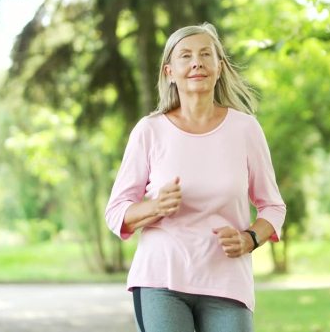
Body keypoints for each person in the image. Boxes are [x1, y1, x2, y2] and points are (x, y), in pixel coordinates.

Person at [105, 22, 286, 332]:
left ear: (220, 67)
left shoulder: (245, 129)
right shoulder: (150, 131)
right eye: (185, 56)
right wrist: (155, 207)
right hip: (161, 280)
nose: (196, 62)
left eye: (205, 54)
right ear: (169, 72)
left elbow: (273, 206)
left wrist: (250, 238)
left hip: (227, 282)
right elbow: (116, 212)